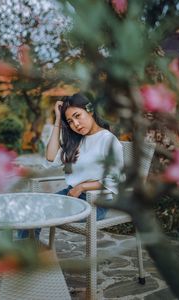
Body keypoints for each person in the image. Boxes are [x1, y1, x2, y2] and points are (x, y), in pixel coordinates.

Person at [17, 93, 124, 239]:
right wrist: (58, 119)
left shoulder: (108, 140)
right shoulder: (77, 140)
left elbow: (115, 179)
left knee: (36, 212)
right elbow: (50, 156)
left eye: (77, 116)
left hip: (96, 203)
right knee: (29, 210)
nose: (76, 125)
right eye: (70, 121)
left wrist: (82, 187)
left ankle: (22, 257)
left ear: (90, 110)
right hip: (72, 195)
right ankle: (25, 253)